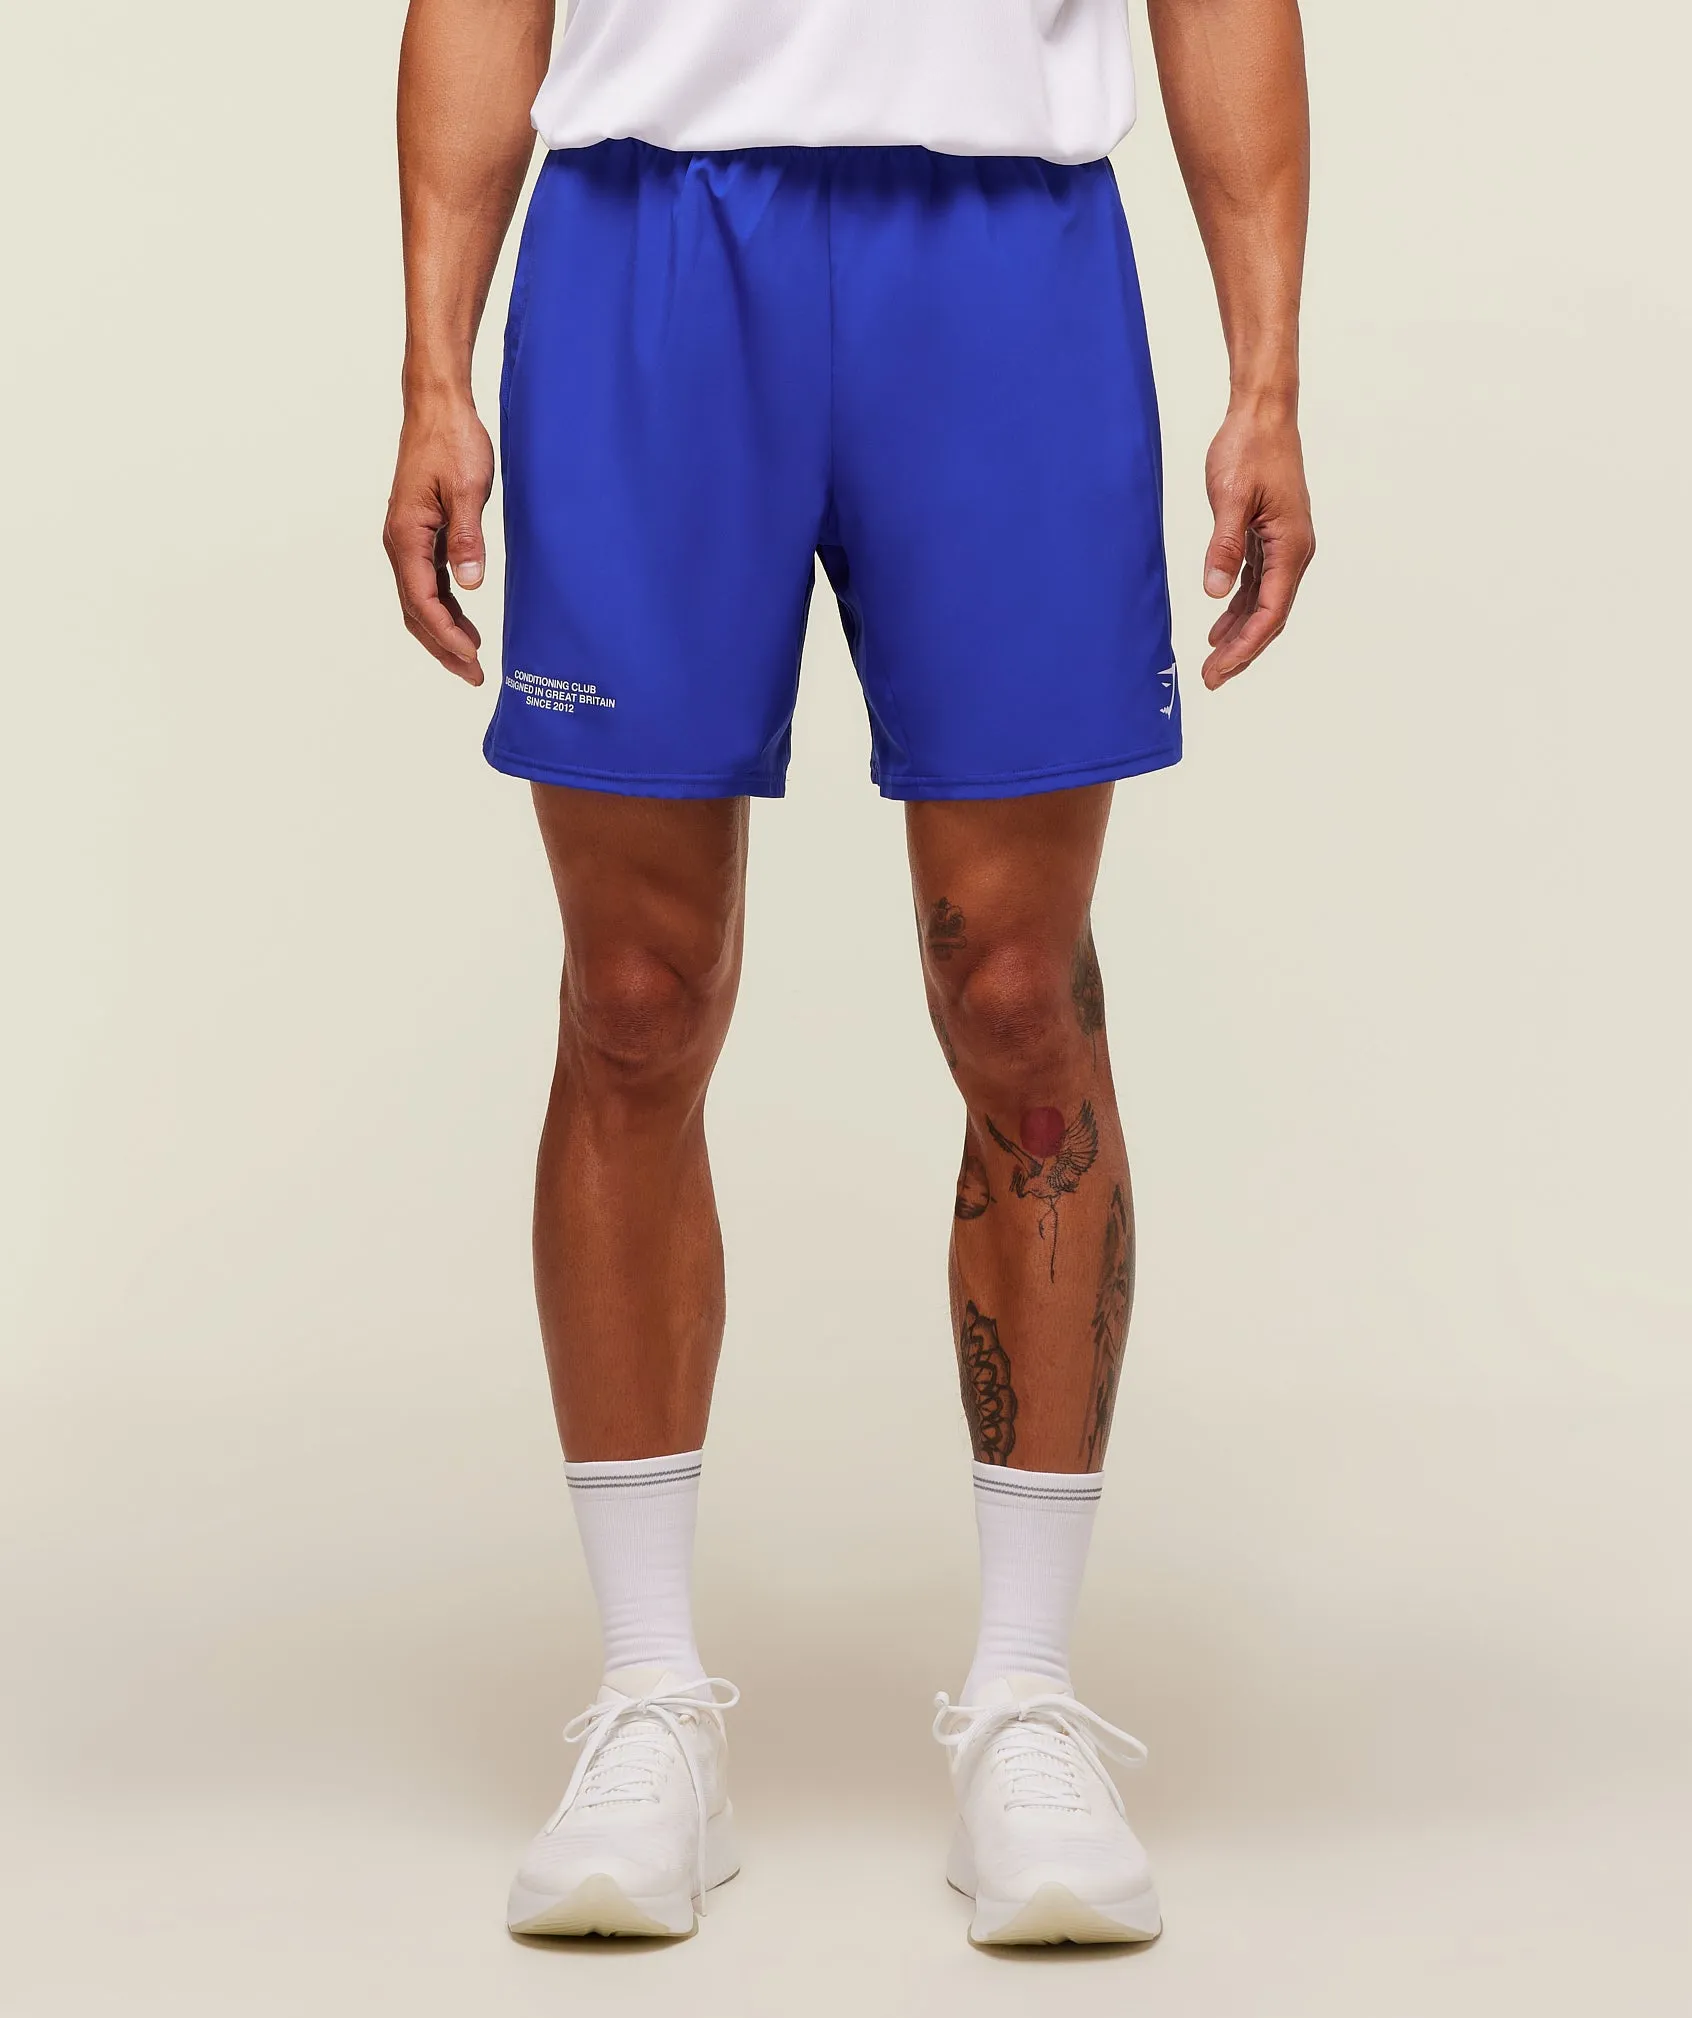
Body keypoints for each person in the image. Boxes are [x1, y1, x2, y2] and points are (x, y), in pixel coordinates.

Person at [384, 0, 1313, 1948]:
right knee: (634, 994)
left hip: (1002, 260)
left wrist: (1267, 370)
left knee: (1019, 992)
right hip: (647, 244)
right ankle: (649, 1695)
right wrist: (432, 362)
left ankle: (1029, 1703)